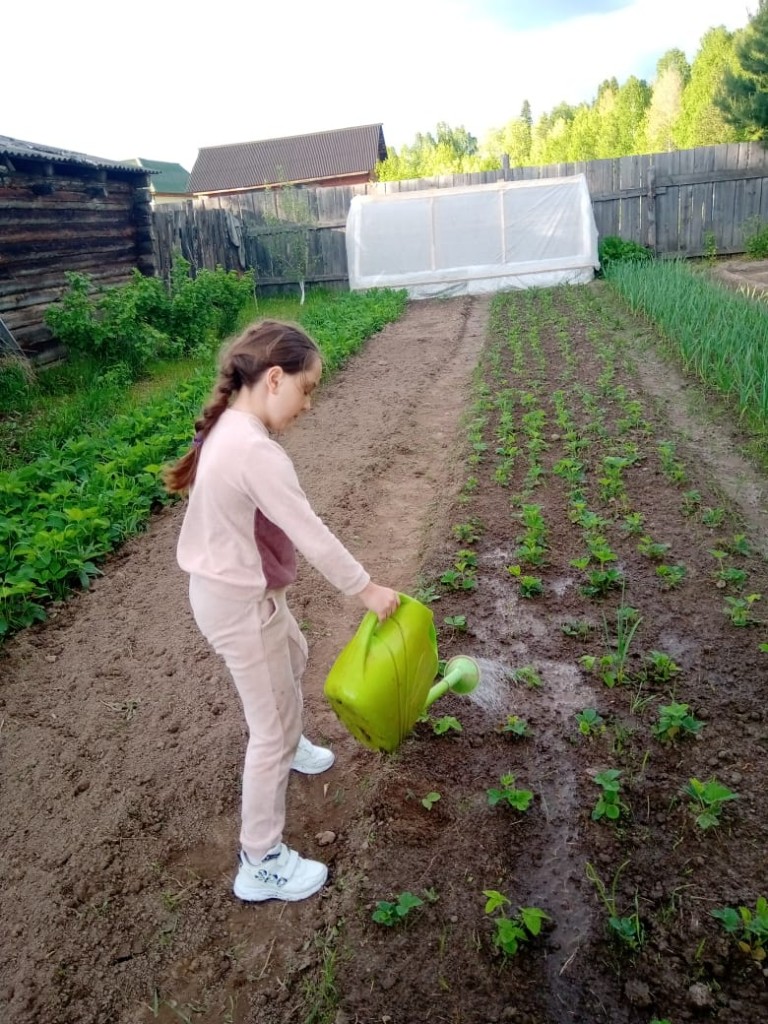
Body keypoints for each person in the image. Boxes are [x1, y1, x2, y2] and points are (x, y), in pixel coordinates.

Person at [164, 319, 399, 904]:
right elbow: (310, 533)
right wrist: (367, 589)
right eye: (306, 388)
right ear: (274, 378)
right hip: (241, 604)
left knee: (294, 653)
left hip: (232, 592)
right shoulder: (253, 451)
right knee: (270, 729)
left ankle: (291, 746)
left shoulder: (230, 427)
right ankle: (260, 860)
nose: (308, 403)